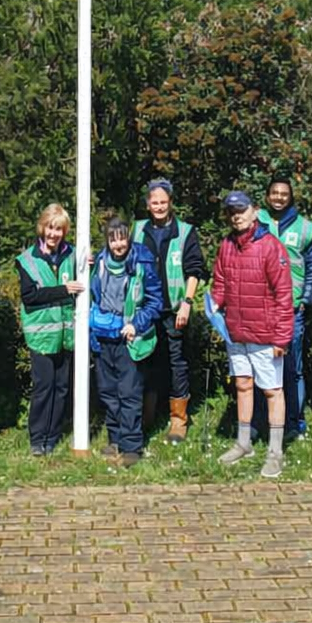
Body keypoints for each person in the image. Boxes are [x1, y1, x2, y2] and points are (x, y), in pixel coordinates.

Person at [210, 189, 294, 480]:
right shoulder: (226, 245)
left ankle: (275, 452)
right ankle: (244, 443)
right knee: (243, 386)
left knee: (272, 391)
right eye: (232, 212)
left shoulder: (271, 247)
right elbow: (219, 284)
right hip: (236, 333)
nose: (237, 216)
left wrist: (282, 338)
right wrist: (213, 306)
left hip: (266, 335)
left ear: (255, 211)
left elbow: (284, 295)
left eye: (242, 210)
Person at [133, 179, 207, 444]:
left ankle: (178, 420)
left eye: (164, 202)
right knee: (145, 362)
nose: (160, 206)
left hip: (174, 309)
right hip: (145, 310)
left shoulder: (185, 232)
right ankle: (146, 417)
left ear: (170, 202)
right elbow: (118, 255)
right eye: (155, 202)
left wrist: (187, 302)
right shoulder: (137, 230)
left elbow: (195, 270)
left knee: (177, 364)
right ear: (148, 204)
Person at [89, 217, 164, 467]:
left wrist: (136, 324)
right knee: (108, 392)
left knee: (129, 393)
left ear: (129, 238)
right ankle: (115, 439)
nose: (118, 244)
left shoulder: (142, 262)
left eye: (122, 238)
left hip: (130, 338)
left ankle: (132, 445)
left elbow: (155, 302)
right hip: (103, 336)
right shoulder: (98, 262)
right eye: (113, 239)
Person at [17, 203, 85, 456]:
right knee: (44, 387)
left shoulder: (72, 255)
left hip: (66, 335)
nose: (54, 233)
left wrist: (88, 261)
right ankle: (38, 438)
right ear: (42, 228)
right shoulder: (27, 261)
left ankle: (53, 436)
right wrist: (63, 290)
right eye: (50, 228)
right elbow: (30, 296)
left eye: (59, 229)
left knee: (62, 388)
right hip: (41, 336)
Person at [256, 175, 312, 438]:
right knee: (260, 366)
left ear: (290, 196)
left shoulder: (306, 228)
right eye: (274, 193)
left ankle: (294, 422)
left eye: (284, 193)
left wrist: (304, 300)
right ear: (267, 195)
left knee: (293, 368)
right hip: (260, 308)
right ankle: (261, 423)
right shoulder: (256, 220)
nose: (279, 197)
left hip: (292, 310)